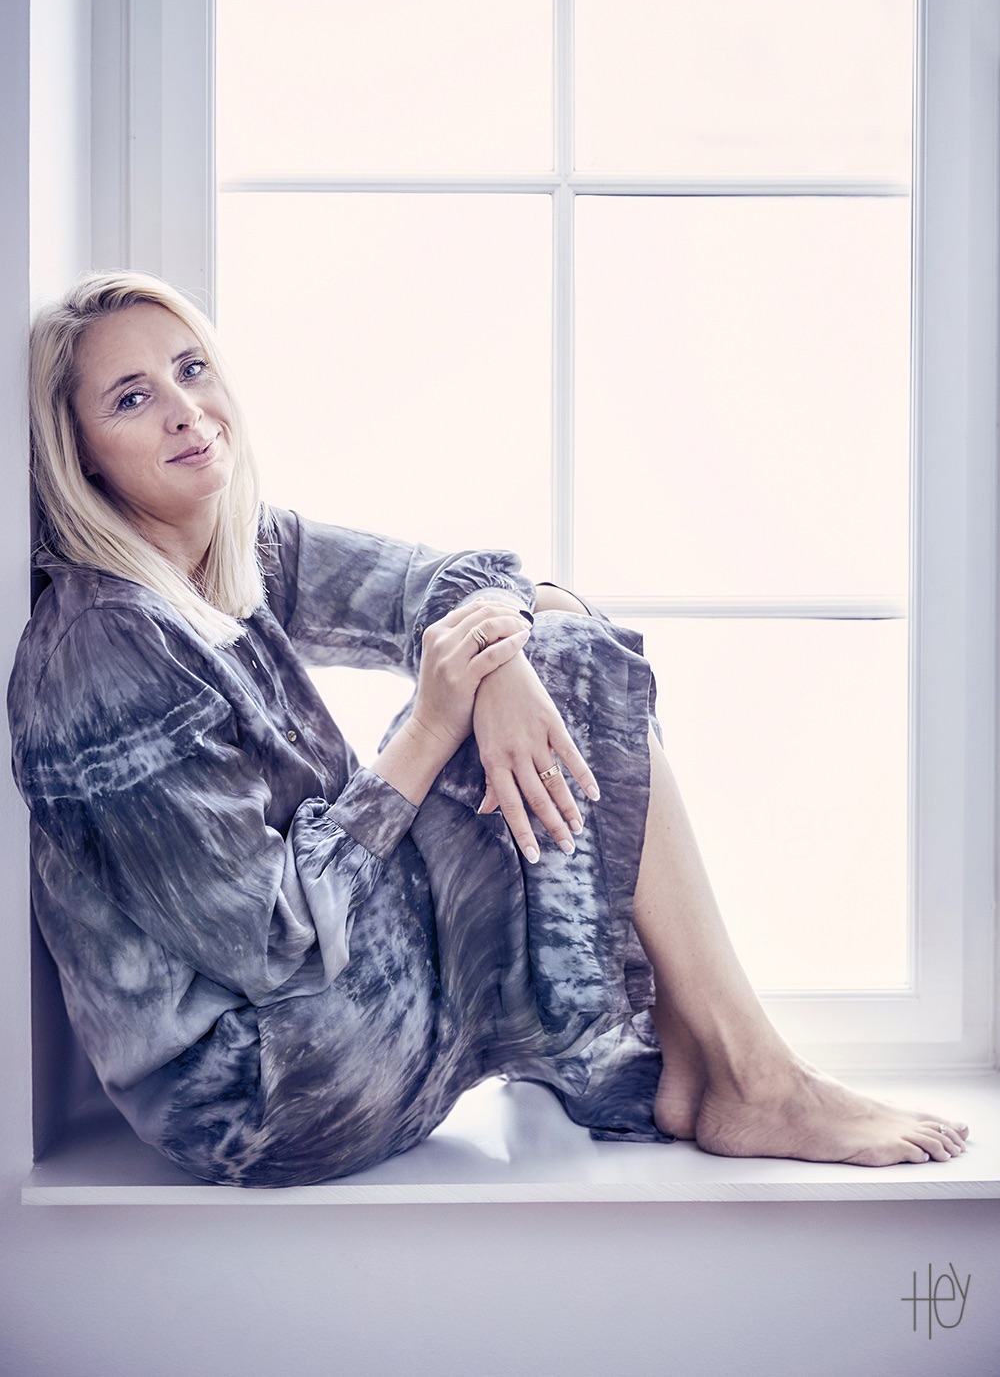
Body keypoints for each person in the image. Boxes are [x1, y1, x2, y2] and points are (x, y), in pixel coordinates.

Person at [8, 271, 969, 1188]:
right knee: (567, 653)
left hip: (346, 1021)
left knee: (551, 634)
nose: (186, 411)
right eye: (132, 399)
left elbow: (464, 578)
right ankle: (748, 1077)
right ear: (79, 452)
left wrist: (500, 666)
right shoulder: (104, 646)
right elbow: (273, 941)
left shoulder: (237, 546)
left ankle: (713, 1061)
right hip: (267, 1092)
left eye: (191, 368)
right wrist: (435, 723)